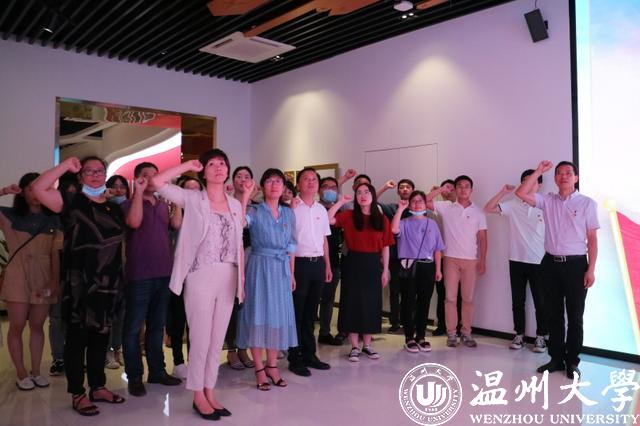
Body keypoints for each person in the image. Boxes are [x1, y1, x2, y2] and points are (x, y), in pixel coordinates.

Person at [153, 150, 245, 419]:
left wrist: (242, 280)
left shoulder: (235, 204)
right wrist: (185, 166)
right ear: (203, 171)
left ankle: (210, 389)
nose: (218, 168)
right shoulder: (192, 198)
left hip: (229, 274)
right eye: (212, 164)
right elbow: (157, 182)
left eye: (222, 163)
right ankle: (197, 394)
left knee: (217, 340)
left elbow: (238, 242)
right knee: (201, 338)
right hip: (200, 273)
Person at [32, 156, 126, 416]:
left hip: (108, 283)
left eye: (100, 171)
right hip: (79, 285)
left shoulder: (114, 208)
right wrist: (64, 166)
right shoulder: (71, 202)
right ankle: (77, 393)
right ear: (81, 176)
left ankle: (98, 387)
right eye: (89, 171)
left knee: (100, 337)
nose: (95, 175)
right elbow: (39, 188)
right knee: (76, 340)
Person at [516, 160, 599, 379]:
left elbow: (592, 238)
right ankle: (556, 359)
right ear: (555, 178)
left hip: (576, 265)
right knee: (553, 314)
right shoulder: (547, 201)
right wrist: (538, 171)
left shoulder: (587, 203)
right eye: (559, 173)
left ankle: (572, 361)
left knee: (575, 316)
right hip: (550, 264)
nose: (564, 176)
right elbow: (521, 193)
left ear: (576, 178)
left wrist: (591, 269)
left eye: (568, 173)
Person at [121, 162, 182, 397]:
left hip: (164, 273)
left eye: (155, 175)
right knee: (133, 328)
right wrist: (138, 192)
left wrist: (175, 197)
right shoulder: (128, 204)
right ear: (137, 179)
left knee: (157, 327)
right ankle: (135, 376)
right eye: (145, 175)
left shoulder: (163, 205)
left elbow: (176, 225)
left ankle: (157, 371)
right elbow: (134, 222)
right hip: (139, 274)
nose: (150, 179)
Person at [236, 168, 298, 391]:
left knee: (277, 317)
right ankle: (259, 369)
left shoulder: (289, 213)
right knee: (258, 315)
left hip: (281, 269)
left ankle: (273, 366)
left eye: (278, 181)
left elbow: (292, 245)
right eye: (270, 181)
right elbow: (239, 223)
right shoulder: (254, 210)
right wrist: (246, 196)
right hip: (259, 267)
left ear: (284, 187)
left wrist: (291, 273)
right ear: (262, 186)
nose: (274, 185)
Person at [0, 174, 63, 390]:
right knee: (17, 325)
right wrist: (3, 191)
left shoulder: (54, 219)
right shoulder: (8, 215)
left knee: (37, 325)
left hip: (43, 276)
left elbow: (55, 254)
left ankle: (36, 371)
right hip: (17, 274)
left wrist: (54, 282)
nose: (35, 193)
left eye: (39, 188)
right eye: (30, 188)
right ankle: (21, 372)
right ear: (22, 192)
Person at [328, 183, 393, 362]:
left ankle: (368, 345)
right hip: (352, 263)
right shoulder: (349, 215)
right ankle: (354, 346)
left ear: (373, 196)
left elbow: (386, 246)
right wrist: (340, 202)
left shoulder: (381, 219)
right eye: (359, 192)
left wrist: (385, 270)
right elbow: (328, 219)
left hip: (373, 264)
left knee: (371, 304)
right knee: (352, 303)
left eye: (366, 192)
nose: (362, 195)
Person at [484, 170, 548, 352]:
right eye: (525, 181)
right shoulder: (512, 205)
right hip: (516, 259)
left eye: (533, 181)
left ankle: (541, 336)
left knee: (541, 302)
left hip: (540, 261)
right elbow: (488, 208)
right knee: (518, 301)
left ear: (539, 185)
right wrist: (503, 192)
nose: (529, 185)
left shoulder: (546, 204)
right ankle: (519, 334)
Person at [427, 175, 487, 348]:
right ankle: (452, 333)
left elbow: (483, 238)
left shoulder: (478, 212)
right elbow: (424, 200)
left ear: (471, 190)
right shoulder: (446, 207)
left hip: (470, 261)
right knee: (450, 298)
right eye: (459, 186)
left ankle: (466, 333)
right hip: (450, 260)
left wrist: (483, 260)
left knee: (468, 299)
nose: (463, 189)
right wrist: (440, 189)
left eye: (466, 186)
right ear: (455, 189)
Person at [288, 168, 332, 377]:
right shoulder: (292, 208)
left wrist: (327, 265)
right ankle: (294, 358)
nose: (311, 182)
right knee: (297, 313)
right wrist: (291, 272)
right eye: (306, 179)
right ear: (298, 185)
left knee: (310, 313)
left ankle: (309, 354)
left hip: (318, 265)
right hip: (299, 264)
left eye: (314, 179)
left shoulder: (321, 209)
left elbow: (324, 240)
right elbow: (289, 242)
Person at [391, 191, 444, 353]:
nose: (417, 204)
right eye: (414, 201)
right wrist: (400, 209)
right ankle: (409, 337)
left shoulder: (432, 224)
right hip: (409, 265)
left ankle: (421, 336)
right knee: (408, 301)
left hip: (428, 266)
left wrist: (438, 269)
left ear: (425, 203)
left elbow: (438, 249)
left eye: (420, 201)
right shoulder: (404, 222)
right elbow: (393, 229)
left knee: (424, 302)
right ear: (409, 204)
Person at [166, 176, 202, 380]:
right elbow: (177, 225)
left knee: (196, 322)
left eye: (196, 189)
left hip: (200, 273)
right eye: (187, 189)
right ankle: (178, 362)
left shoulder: (204, 212)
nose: (193, 192)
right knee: (178, 320)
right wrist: (178, 203)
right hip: (179, 273)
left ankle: (195, 361)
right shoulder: (175, 212)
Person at [223, 166, 255, 370]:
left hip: (253, 259)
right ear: (233, 180)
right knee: (233, 305)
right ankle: (232, 350)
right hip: (231, 259)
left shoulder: (257, 206)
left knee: (248, 306)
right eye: (239, 176)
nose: (243, 180)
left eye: (247, 177)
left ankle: (244, 347)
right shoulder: (226, 202)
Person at [48, 175, 80, 376]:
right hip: (58, 274)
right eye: (67, 191)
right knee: (57, 318)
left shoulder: (84, 213)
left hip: (80, 275)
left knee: (77, 318)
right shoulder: (52, 217)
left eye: (74, 191)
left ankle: (74, 356)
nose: (71, 195)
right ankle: (58, 357)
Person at [379, 178, 416, 334]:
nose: (405, 189)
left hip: (413, 257)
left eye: (408, 187)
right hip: (394, 256)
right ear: (398, 191)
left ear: (413, 190)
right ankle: (394, 322)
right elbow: (372, 200)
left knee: (411, 292)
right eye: (402, 187)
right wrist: (384, 187)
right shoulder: (392, 208)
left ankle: (410, 322)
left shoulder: (418, 208)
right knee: (394, 292)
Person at [104, 174, 130, 370]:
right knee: (107, 313)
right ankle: (106, 352)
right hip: (106, 267)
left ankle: (117, 348)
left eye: (122, 186)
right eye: (115, 186)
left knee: (122, 313)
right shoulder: (103, 209)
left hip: (126, 266)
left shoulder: (130, 209)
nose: (119, 190)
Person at [431, 179, 456, 336]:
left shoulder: (460, 208)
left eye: (451, 189)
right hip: (440, 256)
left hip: (457, 256)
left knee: (456, 294)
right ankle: (441, 324)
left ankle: (457, 325)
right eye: (446, 188)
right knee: (441, 293)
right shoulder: (438, 208)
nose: (448, 191)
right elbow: (424, 201)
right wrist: (438, 191)